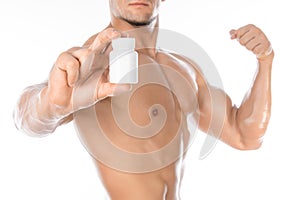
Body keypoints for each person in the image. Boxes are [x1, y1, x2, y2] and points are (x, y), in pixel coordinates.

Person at [13, 0, 274, 199]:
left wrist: (265, 60)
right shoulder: (93, 61)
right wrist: (52, 104)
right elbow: (26, 118)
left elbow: (244, 135)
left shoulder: (185, 68)